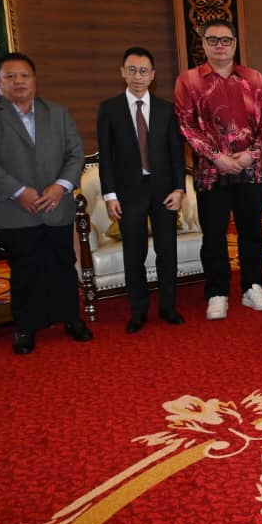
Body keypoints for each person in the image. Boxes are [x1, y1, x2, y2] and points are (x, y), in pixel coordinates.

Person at [0, 52, 92, 354]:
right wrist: (19, 191)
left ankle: (70, 318)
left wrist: (61, 187)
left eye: (24, 75)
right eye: (10, 76)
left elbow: (75, 154)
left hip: (56, 205)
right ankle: (25, 327)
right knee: (25, 269)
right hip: (16, 208)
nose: (18, 81)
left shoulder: (58, 112)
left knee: (63, 265)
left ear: (34, 79)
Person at [174, 19, 262, 320]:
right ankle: (217, 292)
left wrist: (251, 155)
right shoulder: (189, 81)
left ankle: (252, 287)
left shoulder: (255, 80)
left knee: (251, 232)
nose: (220, 45)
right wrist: (216, 157)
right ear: (204, 44)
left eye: (226, 40)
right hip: (211, 173)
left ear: (235, 44)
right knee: (214, 235)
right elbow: (186, 125)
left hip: (250, 172)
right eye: (213, 40)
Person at [96, 46, 187, 333]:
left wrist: (179, 189)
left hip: (164, 192)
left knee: (167, 251)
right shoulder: (109, 109)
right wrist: (110, 195)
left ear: (153, 75)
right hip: (129, 192)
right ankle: (138, 312)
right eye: (132, 70)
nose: (138, 76)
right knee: (133, 253)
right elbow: (106, 157)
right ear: (122, 72)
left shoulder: (166, 109)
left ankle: (168, 307)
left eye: (144, 71)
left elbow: (176, 153)